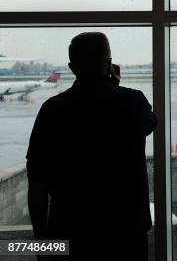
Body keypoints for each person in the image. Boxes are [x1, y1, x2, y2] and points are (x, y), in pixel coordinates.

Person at [26, 32, 157, 260]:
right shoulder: (134, 102)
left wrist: (41, 244)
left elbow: (37, 183)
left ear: (72, 67)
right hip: (126, 232)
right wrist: (115, 87)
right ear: (109, 64)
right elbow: (149, 124)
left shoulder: (52, 110)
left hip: (70, 232)